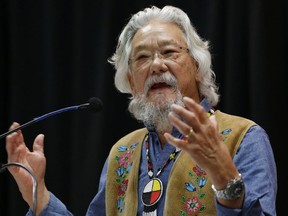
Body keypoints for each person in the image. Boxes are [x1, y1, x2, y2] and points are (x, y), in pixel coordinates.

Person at [5, 5, 277, 216]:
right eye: (142, 58)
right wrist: (37, 194)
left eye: (169, 52)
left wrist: (225, 177)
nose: (157, 65)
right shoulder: (123, 152)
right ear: (131, 81)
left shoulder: (243, 137)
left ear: (197, 66)